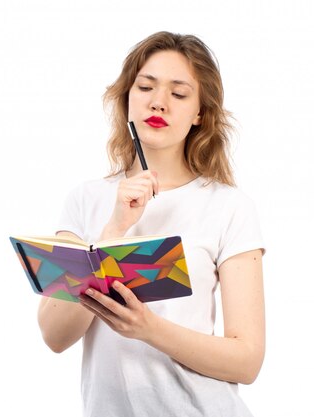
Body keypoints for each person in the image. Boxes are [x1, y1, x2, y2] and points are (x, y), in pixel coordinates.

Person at [37, 31, 265, 417]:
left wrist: (148, 329)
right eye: (145, 87)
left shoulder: (228, 206)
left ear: (199, 114)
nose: (158, 102)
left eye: (179, 94)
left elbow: (247, 361)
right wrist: (114, 229)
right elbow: (54, 336)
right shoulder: (85, 200)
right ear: (127, 97)